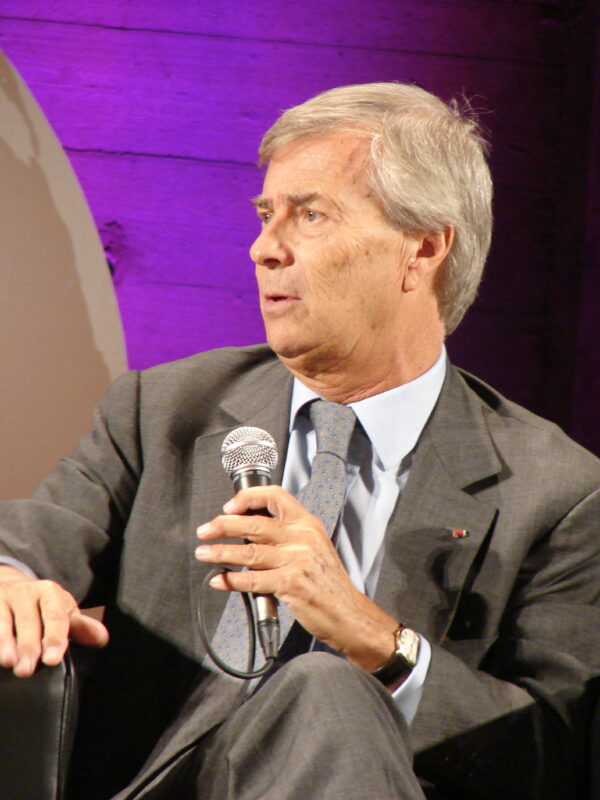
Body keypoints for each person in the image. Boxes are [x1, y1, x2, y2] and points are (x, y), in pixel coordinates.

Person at [0, 82, 599, 800]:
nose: (263, 249)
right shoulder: (163, 411)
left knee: (325, 688)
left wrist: (378, 641)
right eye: (266, 215)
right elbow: (31, 539)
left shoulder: (557, 493)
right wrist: (9, 583)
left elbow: (558, 754)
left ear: (423, 248)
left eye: (310, 215)